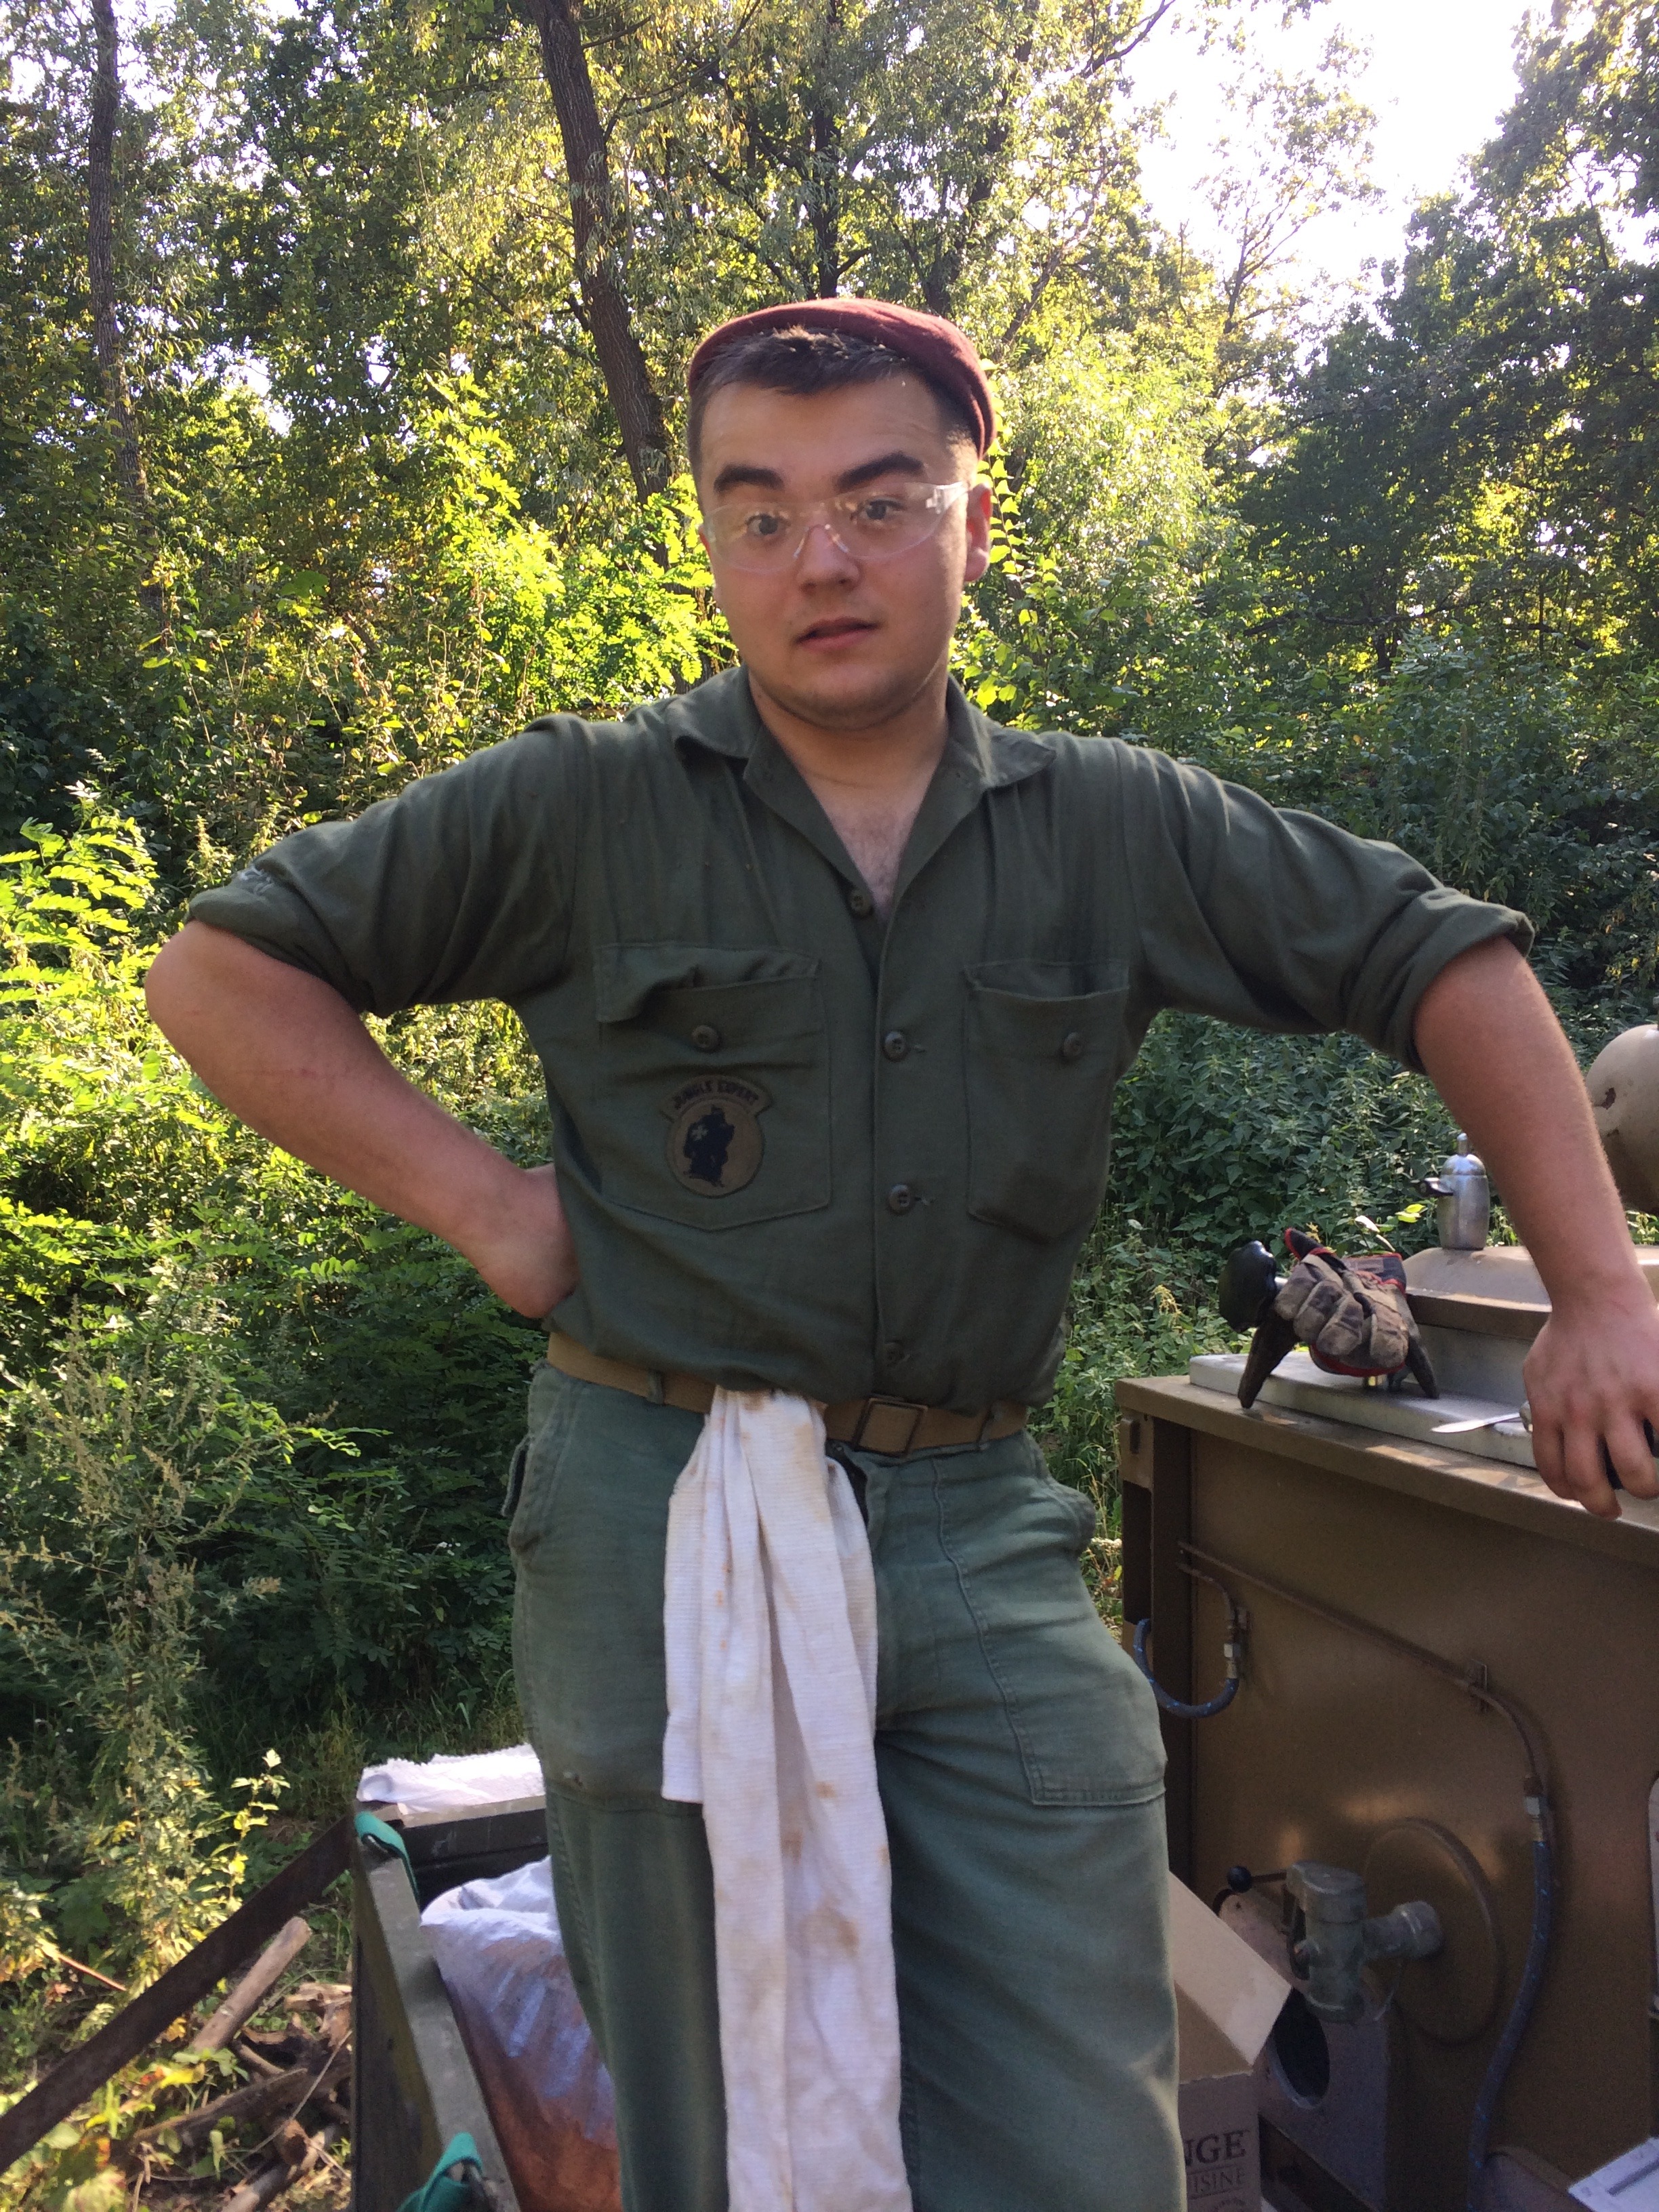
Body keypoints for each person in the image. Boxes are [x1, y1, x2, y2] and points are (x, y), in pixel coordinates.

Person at [144, 299, 1659, 2212]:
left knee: (1078, 2132)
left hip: (974, 1515)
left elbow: (1444, 960)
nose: (820, 560)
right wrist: (491, 1211)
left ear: (973, 520)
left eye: (877, 501)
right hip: (655, 1503)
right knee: (720, 2128)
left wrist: (1599, 1292)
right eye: (759, 511)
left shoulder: (1110, 826)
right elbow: (221, 973)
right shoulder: (586, 804)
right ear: (712, 539)